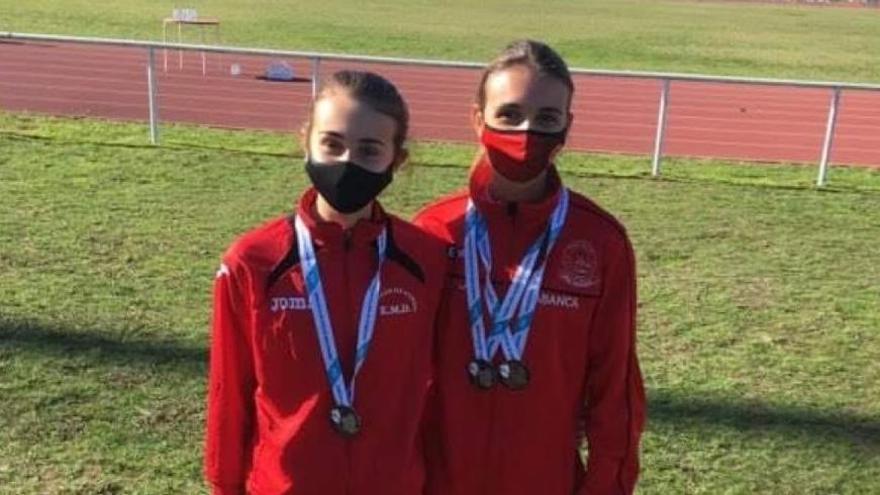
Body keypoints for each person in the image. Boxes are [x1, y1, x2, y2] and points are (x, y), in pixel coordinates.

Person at [414, 40, 646, 495]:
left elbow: (614, 392)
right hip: (440, 481)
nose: (526, 132)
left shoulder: (600, 241)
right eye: (509, 115)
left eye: (546, 119)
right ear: (478, 120)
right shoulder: (433, 232)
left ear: (566, 127)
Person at [204, 70, 448, 495]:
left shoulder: (427, 259)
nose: (346, 162)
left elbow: (441, 393)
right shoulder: (253, 261)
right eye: (332, 144)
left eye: (369, 150)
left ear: (397, 159)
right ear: (306, 141)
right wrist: (225, 485)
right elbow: (229, 393)